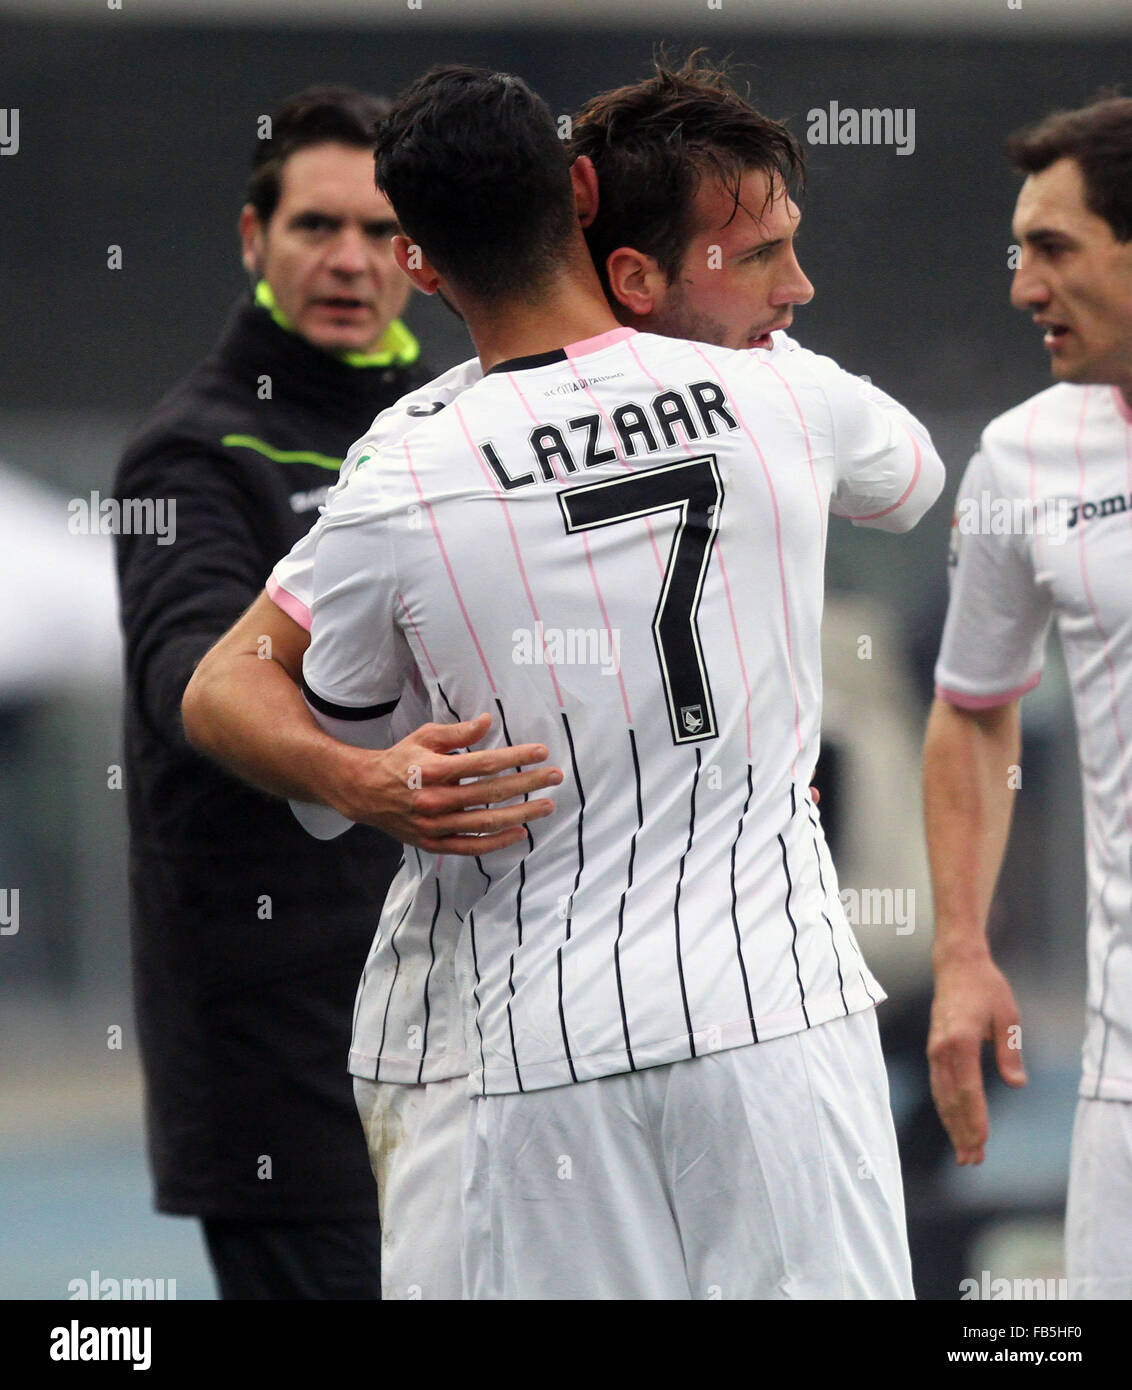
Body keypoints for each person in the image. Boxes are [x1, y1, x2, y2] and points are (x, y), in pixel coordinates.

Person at [189, 62, 944, 1299]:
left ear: (420, 267)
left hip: (536, 1047)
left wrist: (361, 779)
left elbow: (225, 690)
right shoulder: (775, 388)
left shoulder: (404, 469)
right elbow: (911, 480)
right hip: (779, 1014)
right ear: (581, 195)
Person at [114, 83, 447, 1300]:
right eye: (315, 227)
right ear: (256, 241)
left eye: (378, 231)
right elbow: (186, 685)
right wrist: (366, 780)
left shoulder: (441, 430)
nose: (349, 260)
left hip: (443, 1009)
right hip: (274, 1055)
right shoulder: (194, 448)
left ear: (419, 254)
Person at [925, 96, 1132, 1300]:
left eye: (1052, 249)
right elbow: (972, 705)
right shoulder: (1019, 457)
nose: (1021, 287)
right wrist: (960, 949)